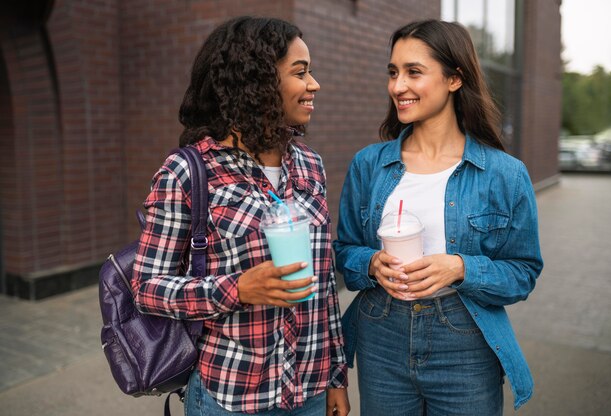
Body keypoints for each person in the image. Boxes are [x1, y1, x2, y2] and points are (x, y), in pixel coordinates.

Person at [132, 16, 350, 416]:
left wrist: (336, 377)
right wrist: (238, 289)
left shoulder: (310, 166)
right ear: (258, 83)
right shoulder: (189, 172)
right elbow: (146, 287)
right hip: (232, 396)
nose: (313, 84)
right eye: (300, 73)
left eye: (311, 72)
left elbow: (323, 285)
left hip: (310, 391)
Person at [333, 19, 542, 415]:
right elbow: (343, 250)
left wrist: (461, 268)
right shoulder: (369, 165)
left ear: (454, 79)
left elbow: (523, 272)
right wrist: (372, 263)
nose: (398, 86)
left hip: (464, 341)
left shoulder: (505, 174)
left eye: (414, 72)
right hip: (382, 335)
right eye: (393, 73)